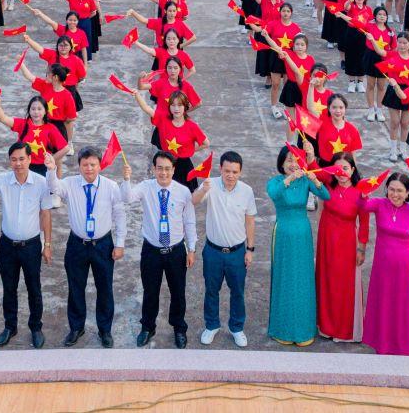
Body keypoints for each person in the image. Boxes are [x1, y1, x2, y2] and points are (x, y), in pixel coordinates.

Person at [0, 142, 54, 349]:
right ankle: (10, 327)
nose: (18, 163)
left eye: (21, 159)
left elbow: (45, 214)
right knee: (9, 288)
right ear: (9, 161)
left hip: (31, 246)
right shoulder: (4, 180)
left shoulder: (41, 182)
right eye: (14, 159)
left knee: (33, 288)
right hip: (8, 246)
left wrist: (47, 244)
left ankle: (36, 327)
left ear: (29, 159)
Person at [47, 146, 127, 348]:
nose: (89, 168)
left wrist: (120, 244)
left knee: (105, 288)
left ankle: (105, 330)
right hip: (77, 245)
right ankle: (76, 327)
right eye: (85, 164)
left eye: (93, 164)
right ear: (79, 166)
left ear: (100, 165)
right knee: (75, 287)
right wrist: (50, 169)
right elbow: (54, 188)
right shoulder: (70, 184)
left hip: (103, 245)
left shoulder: (110, 186)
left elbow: (120, 215)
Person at [122, 149, 197, 348]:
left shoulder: (183, 192)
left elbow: (189, 221)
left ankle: (179, 328)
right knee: (150, 291)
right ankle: (147, 327)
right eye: (159, 169)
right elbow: (127, 198)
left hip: (176, 251)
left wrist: (192, 248)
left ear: (173, 170)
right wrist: (126, 179)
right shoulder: (146, 187)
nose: (163, 173)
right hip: (151, 251)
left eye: (167, 169)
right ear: (153, 169)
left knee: (178, 292)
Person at [266, 144, 330, 346]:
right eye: (289, 161)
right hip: (283, 232)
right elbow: (274, 193)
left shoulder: (305, 181)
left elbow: (326, 195)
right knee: (284, 277)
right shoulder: (276, 181)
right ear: (282, 163)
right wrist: (290, 178)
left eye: (295, 160)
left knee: (303, 279)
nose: (293, 164)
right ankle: (282, 329)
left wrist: (314, 178)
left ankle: (303, 330)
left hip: (302, 233)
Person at [192, 150, 256, 347]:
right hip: (213, 251)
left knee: (237, 291)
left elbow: (250, 220)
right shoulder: (210, 184)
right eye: (227, 171)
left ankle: (237, 328)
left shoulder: (247, 191)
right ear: (220, 169)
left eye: (235, 172)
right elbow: (193, 201)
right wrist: (203, 189)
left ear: (241, 172)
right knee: (212, 290)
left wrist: (250, 249)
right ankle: (211, 326)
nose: (230, 175)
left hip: (237, 252)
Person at [359, 170, 409, 356]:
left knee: (402, 308)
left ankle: (401, 347)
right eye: (391, 189)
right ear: (386, 190)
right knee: (384, 305)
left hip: (405, 268)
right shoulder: (380, 204)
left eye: (400, 191)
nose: (395, 194)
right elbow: (362, 205)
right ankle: (382, 345)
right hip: (382, 268)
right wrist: (364, 192)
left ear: (407, 193)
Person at [314, 152, 366, 342]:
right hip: (326, 239)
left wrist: (361, 249)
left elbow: (365, 223)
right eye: (337, 168)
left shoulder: (361, 192)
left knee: (343, 286)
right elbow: (312, 167)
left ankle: (344, 330)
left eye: (345, 168)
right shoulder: (328, 184)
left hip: (347, 242)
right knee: (326, 281)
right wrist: (311, 154)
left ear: (352, 170)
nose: (341, 172)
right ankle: (326, 326)